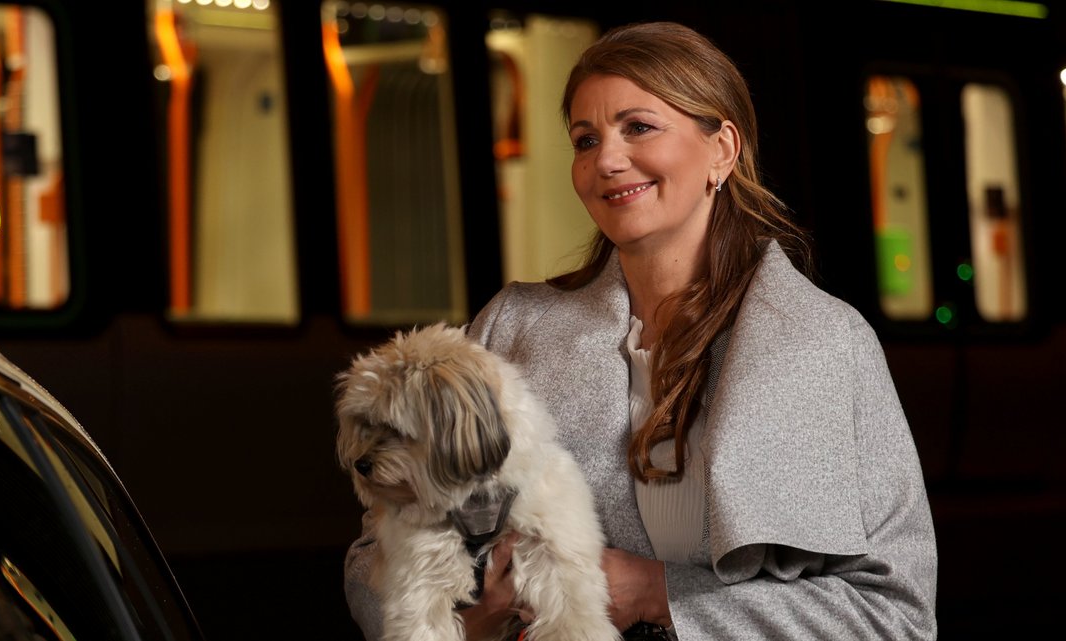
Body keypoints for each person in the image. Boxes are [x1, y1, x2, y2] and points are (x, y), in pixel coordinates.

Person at [344, 21, 937, 640]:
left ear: (723, 150)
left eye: (639, 127)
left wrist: (660, 594)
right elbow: (373, 555)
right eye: (584, 138)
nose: (606, 159)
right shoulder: (511, 328)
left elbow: (893, 616)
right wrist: (473, 618)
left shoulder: (825, 343)